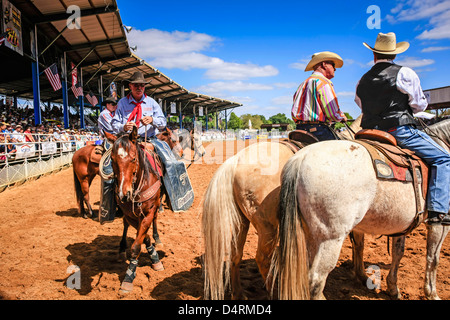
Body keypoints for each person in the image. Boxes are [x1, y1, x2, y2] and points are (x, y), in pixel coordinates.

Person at [355, 32, 450, 226]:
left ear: (374, 55)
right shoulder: (404, 73)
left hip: (367, 133)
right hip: (398, 131)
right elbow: (419, 105)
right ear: (395, 55)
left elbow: (360, 104)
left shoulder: (362, 80)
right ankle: (438, 210)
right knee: (444, 158)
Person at [291, 51, 348, 141]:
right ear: (324, 64)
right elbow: (332, 113)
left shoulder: (302, 84)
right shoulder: (323, 83)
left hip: (299, 130)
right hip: (318, 131)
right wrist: (341, 117)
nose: (335, 69)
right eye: (333, 65)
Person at [111, 71, 167, 138]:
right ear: (130, 86)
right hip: (127, 140)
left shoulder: (152, 103)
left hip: (149, 139)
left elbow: (163, 123)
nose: (139, 88)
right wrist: (124, 127)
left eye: (142, 85)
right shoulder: (122, 103)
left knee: (164, 148)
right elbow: (114, 124)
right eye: (136, 85)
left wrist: (152, 120)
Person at [97, 96, 118, 224]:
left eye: (115, 104)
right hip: (107, 139)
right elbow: (112, 128)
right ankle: (108, 174)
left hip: (114, 137)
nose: (114, 106)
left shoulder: (112, 113)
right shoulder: (105, 114)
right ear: (107, 105)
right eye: (112, 104)